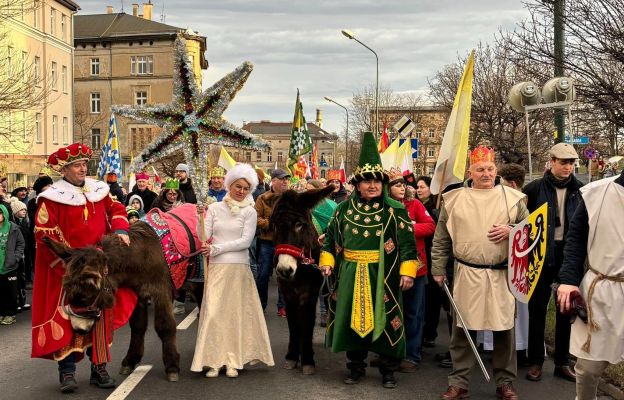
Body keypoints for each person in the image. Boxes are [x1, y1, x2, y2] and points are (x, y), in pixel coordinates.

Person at [319, 132, 419, 389]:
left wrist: (408, 271)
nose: (372, 185)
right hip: (350, 274)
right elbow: (329, 240)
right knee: (352, 323)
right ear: (357, 184)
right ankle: (355, 367)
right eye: (366, 182)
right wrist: (327, 261)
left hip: (384, 276)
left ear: (383, 184)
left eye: (376, 181)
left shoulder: (395, 210)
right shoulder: (342, 210)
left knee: (387, 321)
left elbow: (408, 244)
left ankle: (388, 370)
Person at [432, 146, 529, 400]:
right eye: (480, 169)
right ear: (470, 171)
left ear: (496, 169)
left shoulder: (513, 198)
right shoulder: (453, 199)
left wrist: (512, 230)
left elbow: (530, 233)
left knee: (504, 329)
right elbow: (441, 239)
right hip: (467, 273)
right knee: (462, 330)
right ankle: (459, 382)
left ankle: (505, 382)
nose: (486, 173)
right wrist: (438, 268)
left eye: (490, 168)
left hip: (501, 275)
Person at [31, 143, 130, 393]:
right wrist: (70, 263)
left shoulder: (99, 190)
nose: (83, 168)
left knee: (100, 318)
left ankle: (99, 368)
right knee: (68, 320)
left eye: (85, 164)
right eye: (77, 165)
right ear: (65, 170)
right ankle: (67, 373)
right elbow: (45, 235)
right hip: (68, 269)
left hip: (99, 267)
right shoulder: (51, 197)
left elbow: (116, 209)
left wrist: (119, 230)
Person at [191, 163, 274, 378]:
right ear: (230, 185)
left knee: (235, 315)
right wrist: (199, 216)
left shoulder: (250, 212)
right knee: (214, 314)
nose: (242, 191)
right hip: (217, 267)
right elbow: (204, 234)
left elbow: (245, 242)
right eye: (238, 186)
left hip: (239, 267)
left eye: (246, 188)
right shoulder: (215, 209)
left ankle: (233, 361)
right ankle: (213, 360)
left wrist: (216, 248)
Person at [556, 169, 624, 400]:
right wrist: (568, 281)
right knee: (588, 368)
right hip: (602, 289)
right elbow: (575, 241)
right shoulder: (596, 194)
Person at [522, 143, 583, 382]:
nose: (568, 167)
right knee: (537, 308)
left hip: (568, 255)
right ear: (552, 161)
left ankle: (562, 361)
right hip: (539, 255)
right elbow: (521, 221)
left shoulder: (581, 190)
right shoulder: (534, 188)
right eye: (563, 162)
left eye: (571, 163)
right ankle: (536, 360)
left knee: (565, 309)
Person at [386, 168, 436, 373]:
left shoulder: (414, 204)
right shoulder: (381, 207)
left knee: (412, 313)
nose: (403, 187)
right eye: (396, 184)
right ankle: (389, 352)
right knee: (389, 313)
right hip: (388, 269)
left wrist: (407, 228)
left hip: (416, 269)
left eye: (403, 184)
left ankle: (412, 355)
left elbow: (430, 226)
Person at [255, 168, 290, 314]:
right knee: (263, 275)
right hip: (267, 242)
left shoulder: (291, 198)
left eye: (286, 179)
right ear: (273, 181)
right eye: (282, 179)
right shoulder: (262, 198)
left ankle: (282, 306)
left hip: (285, 243)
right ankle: (261, 305)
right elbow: (256, 218)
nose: (285, 182)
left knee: (284, 276)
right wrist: (270, 223)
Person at [305, 179, 338, 327]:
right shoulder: (304, 206)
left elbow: (335, 224)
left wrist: (326, 236)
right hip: (310, 249)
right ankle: (318, 313)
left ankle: (329, 312)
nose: (308, 192)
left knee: (327, 283)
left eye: (311, 189)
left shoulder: (331, 206)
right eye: (306, 189)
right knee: (313, 283)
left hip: (327, 248)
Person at [0, 203, 25, 325]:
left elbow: (21, 244)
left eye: (0, 212)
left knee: (10, 292)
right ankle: (2, 313)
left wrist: (16, 258)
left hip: (10, 266)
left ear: (4, 214)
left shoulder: (13, 228)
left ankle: (10, 314)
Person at [26, 176, 53, 285]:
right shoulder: (34, 202)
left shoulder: (55, 200)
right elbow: (34, 220)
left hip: (53, 237)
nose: (50, 187)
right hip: (37, 237)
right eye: (47, 186)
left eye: (51, 184)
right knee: (38, 260)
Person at [10, 197, 31, 312]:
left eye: (25, 210)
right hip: (16, 255)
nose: (24, 212)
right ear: (15, 211)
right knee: (15, 280)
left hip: (24, 254)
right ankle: (16, 302)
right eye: (22, 210)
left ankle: (22, 302)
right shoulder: (13, 225)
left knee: (21, 278)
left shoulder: (25, 223)